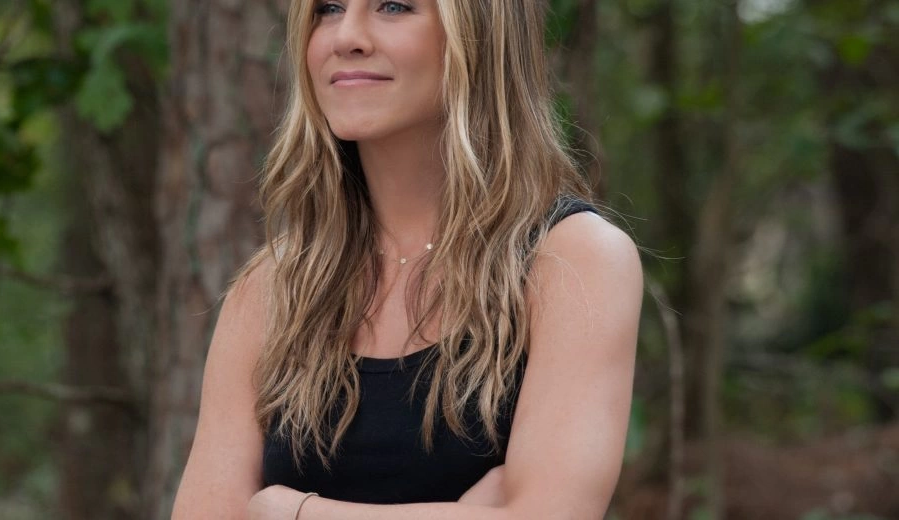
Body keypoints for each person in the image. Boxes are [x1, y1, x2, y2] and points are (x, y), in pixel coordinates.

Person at [172, 0, 643, 518]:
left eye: (393, 6)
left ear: (481, 33)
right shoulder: (273, 286)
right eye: (329, 8)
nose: (346, 37)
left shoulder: (572, 260)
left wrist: (291, 511)